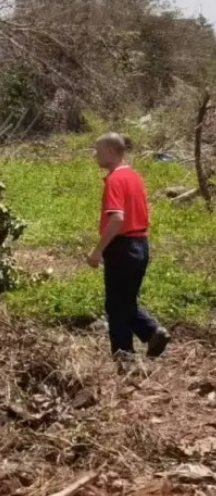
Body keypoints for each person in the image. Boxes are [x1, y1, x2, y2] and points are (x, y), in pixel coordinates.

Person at [87, 132, 170, 359]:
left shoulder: (115, 179)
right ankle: (153, 335)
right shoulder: (135, 177)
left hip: (122, 247)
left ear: (112, 151)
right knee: (123, 302)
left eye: (98, 150)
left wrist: (97, 251)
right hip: (140, 244)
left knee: (116, 306)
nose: (95, 154)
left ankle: (125, 356)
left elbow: (117, 219)